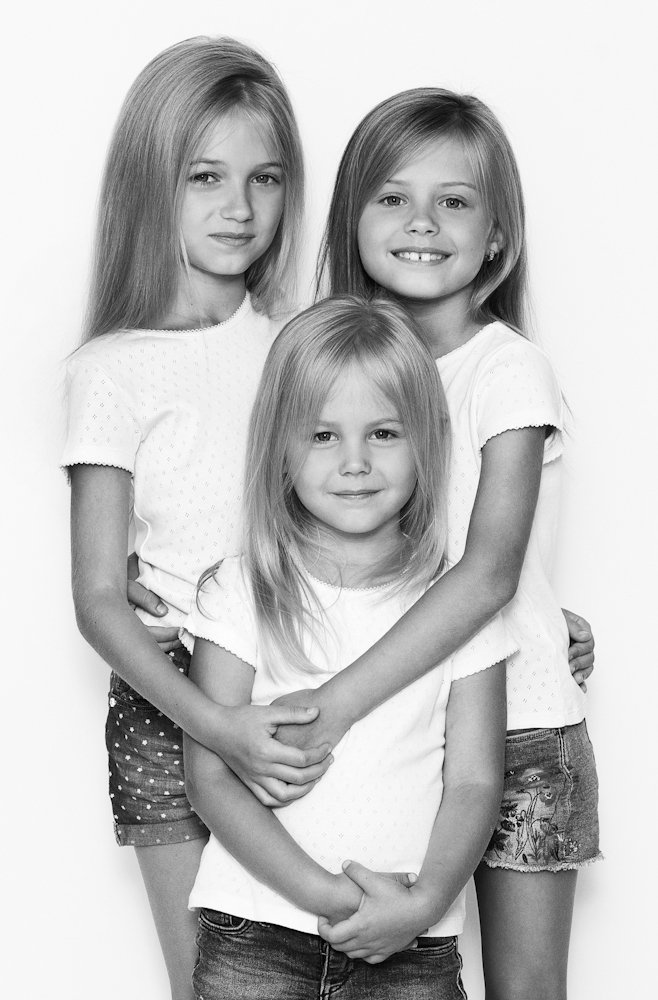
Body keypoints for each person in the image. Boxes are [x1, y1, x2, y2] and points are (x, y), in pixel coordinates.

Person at [296, 88, 599, 999]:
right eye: (392, 197)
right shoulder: (340, 371)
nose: (421, 222)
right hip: (401, 728)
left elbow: (490, 573)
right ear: (351, 221)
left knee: (525, 985)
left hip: (517, 730)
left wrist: (336, 703)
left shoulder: (508, 371)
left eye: (454, 201)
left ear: (496, 237)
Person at [61, 36, 333, 1000]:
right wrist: (216, 725)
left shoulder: (301, 344)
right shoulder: (110, 370)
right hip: (165, 701)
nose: (241, 208)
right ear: (151, 182)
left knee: (324, 959)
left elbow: (377, 496)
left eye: (266, 178)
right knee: (212, 985)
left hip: (294, 675)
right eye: (206, 176)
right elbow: (99, 598)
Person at [182, 295, 513, 999]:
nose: (355, 462)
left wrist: (424, 903)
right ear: (279, 445)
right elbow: (209, 778)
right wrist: (330, 897)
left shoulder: (455, 608)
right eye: (323, 435)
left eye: (385, 433)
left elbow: (476, 780)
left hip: (412, 942)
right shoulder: (239, 590)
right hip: (256, 936)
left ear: (427, 443)